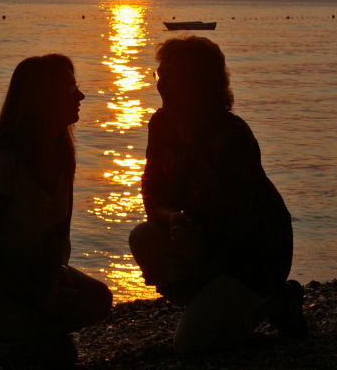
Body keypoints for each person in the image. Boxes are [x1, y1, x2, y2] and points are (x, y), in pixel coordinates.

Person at [128, 36, 306, 354]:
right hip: (199, 241)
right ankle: (215, 305)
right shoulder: (162, 124)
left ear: (196, 83)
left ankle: (274, 300)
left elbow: (245, 226)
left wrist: (201, 248)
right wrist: (172, 219)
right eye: (159, 75)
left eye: (170, 77)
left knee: (190, 347)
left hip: (253, 256)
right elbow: (151, 190)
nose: (161, 85)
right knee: (143, 237)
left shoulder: (232, 137)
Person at [0, 54, 112, 370]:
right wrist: (35, 296)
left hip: (27, 270)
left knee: (97, 300)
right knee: (58, 358)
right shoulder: (3, 161)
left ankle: (0, 337)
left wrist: (55, 277)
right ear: (43, 99)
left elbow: (59, 232)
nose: (81, 96)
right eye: (71, 89)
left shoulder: (61, 153)